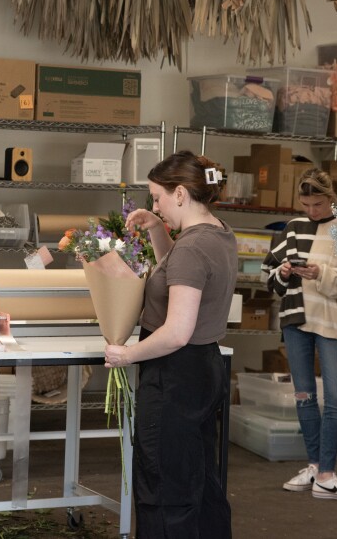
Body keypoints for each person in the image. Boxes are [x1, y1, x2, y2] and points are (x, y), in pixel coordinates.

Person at [105, 150, 236, 538]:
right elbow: (175, 275)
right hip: (204, 368)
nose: (155, 204)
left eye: (157, 198)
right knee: (198, 479)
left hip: (174, 374)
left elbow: (177, 331)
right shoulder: (218, 234)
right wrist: (157, 229)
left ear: (180, 193)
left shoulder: (192, 250)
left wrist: (126, 354)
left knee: (164, 487)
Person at [261, 168, 337, 500]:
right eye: (306, 204)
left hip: (333, 321)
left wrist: (319, 273)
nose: (311, 211)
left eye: (317, 204)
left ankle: (326, 472)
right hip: (296, 319)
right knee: (304, 396)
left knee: (336, 399)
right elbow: (269, 279)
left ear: (331, 198)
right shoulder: (292, 229)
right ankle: (314, 466)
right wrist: (283, 271)